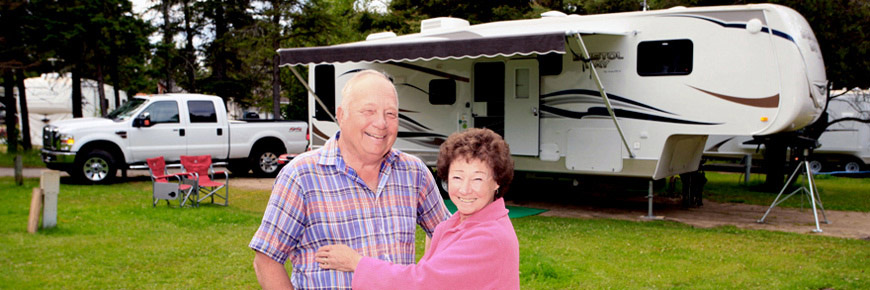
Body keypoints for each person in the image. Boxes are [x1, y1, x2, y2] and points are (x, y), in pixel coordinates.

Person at [249, 70, 451, 290]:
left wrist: (424, 275)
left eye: (391, 114)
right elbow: (266, 260)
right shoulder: (301, 176)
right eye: (368, 111)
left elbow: (449, 236)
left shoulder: (414, 172)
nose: (381, 123)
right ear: (341, 115)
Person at [315, 128, 520, 289]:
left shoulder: (489, 237)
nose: (465, 189)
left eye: (477, 179)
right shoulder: (458, 223)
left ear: (497, 182)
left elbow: (421, 283)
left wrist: (356, 263)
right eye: (457, 177)